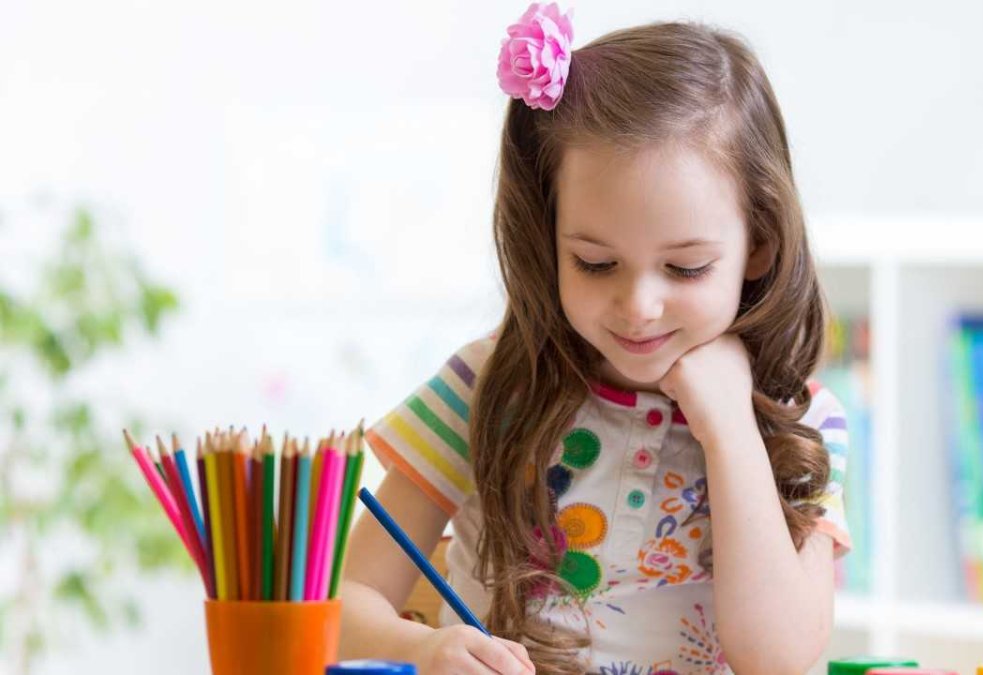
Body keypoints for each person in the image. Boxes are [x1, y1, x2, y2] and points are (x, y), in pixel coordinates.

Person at [339, 4, 852, 673]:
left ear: (759, 243)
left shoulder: (801, 420)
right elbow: (339, 606)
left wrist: (730, 426)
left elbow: (778, 656)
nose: (638, 306)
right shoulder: (489, 384)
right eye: (596, 263)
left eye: (686, 266)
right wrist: (425, 647)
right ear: (546, 235)